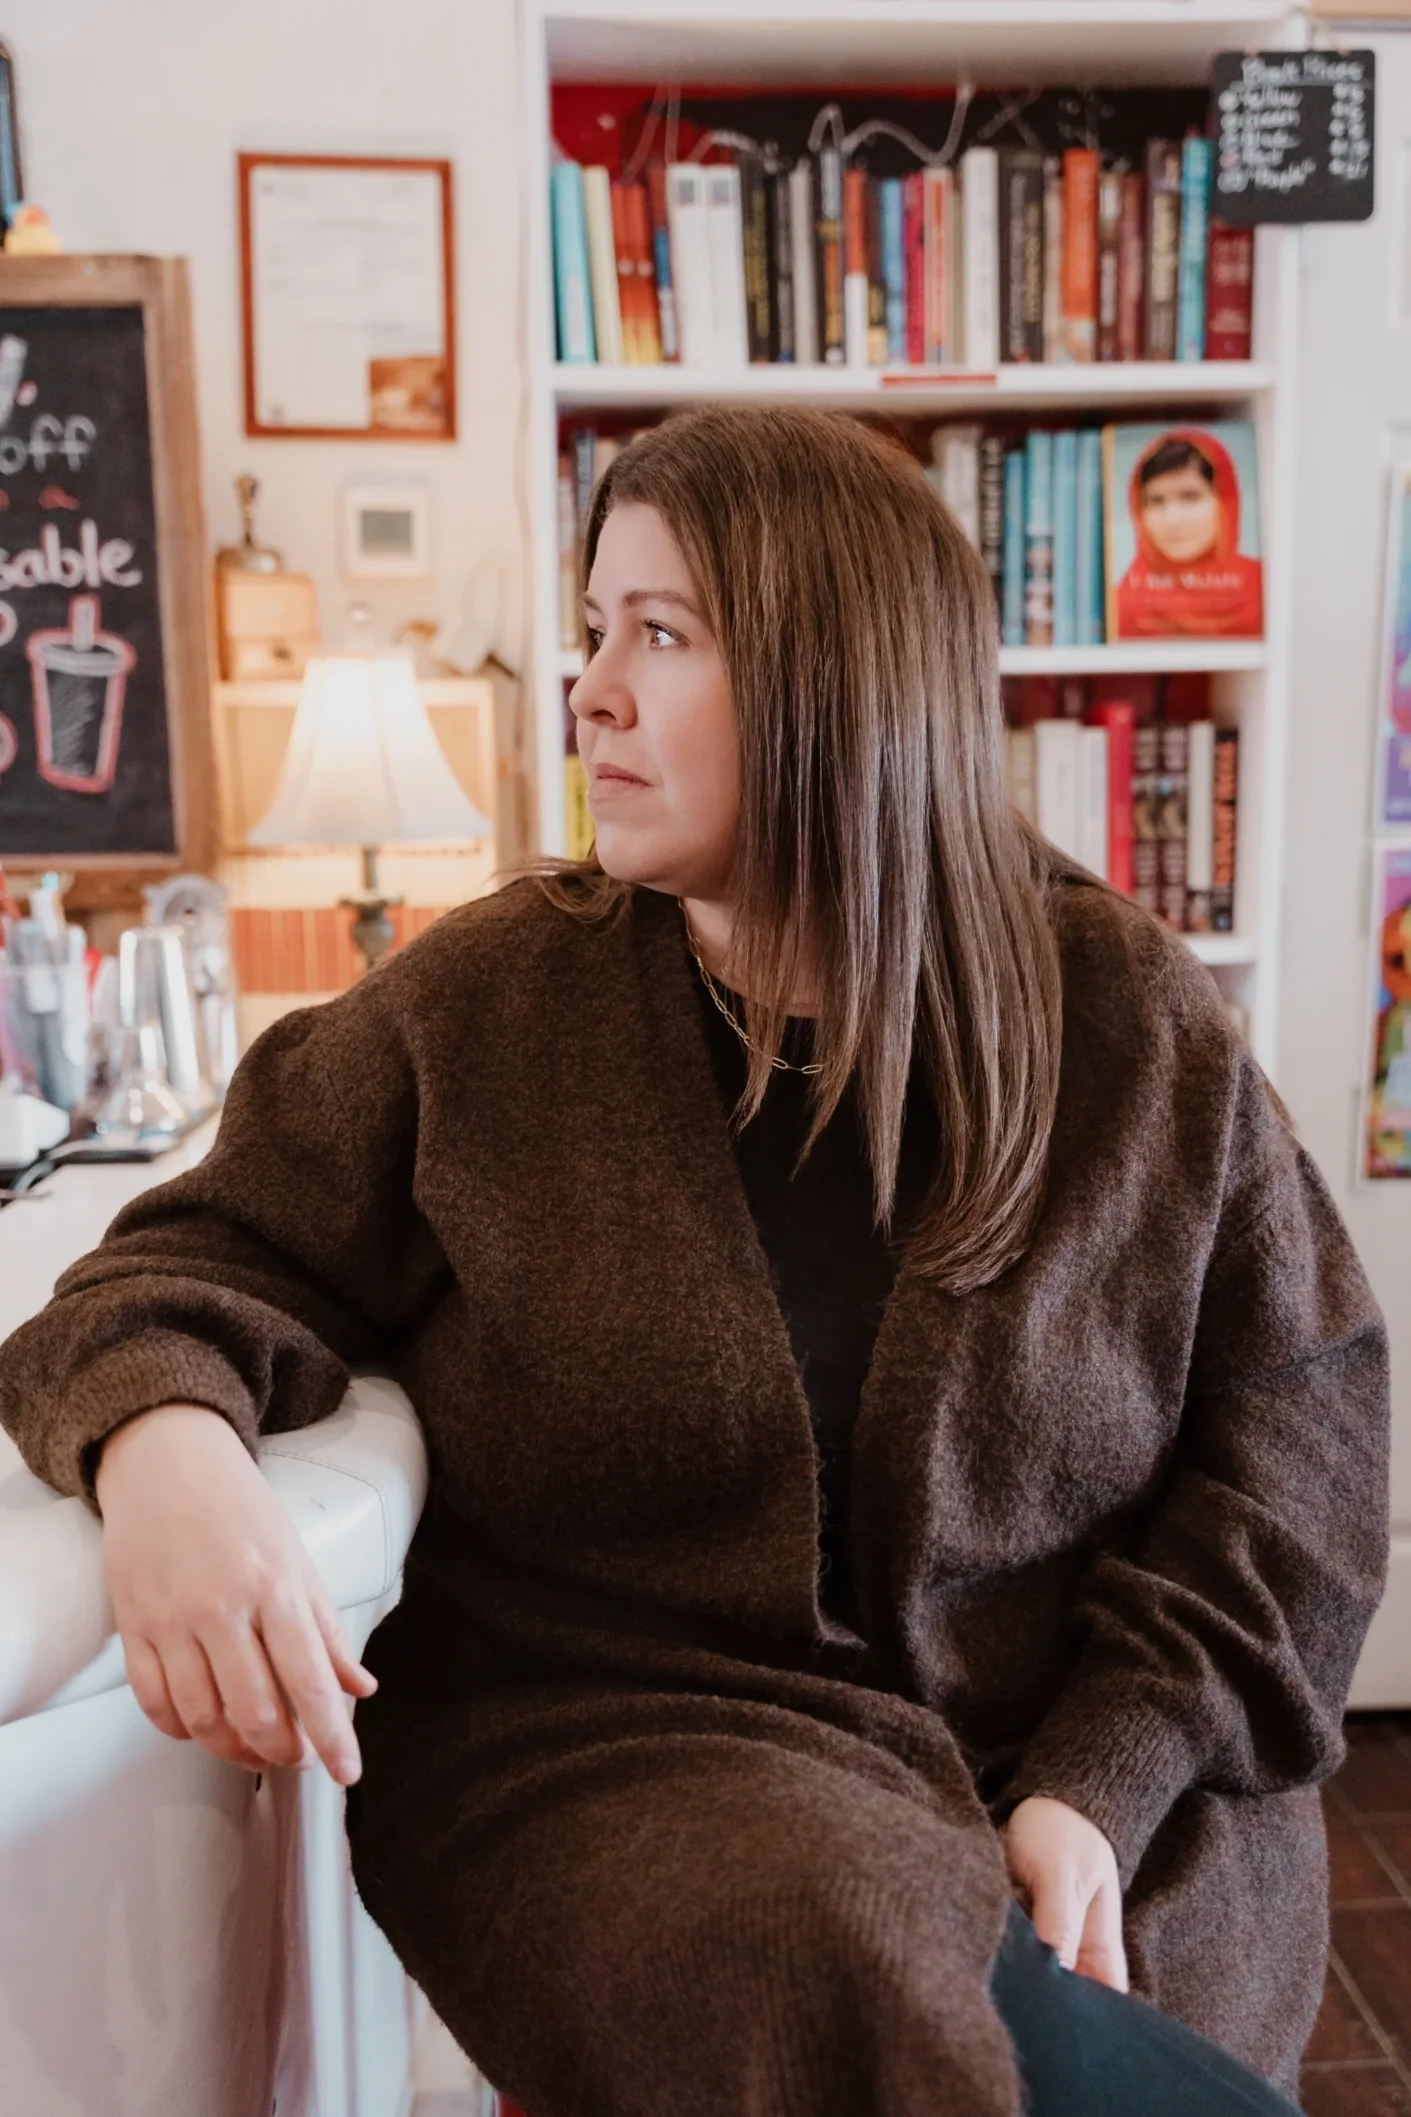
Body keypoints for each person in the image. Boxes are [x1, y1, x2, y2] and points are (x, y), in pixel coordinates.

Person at [0, 406, 1388, 2117]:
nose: (589, 689)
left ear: (839, 675)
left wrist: (1104, 1779)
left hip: (1088, 1775)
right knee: (826, 1939)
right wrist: (166, 1457)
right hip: (622, 1757)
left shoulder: (1127, 1024)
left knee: (1022, 1977)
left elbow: (1297, 1457)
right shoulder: (492, 1006)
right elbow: (169, 1271)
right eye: (597, 630)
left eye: (659, 634)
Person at [1114, 427, 1265, 638]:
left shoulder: (1265, 587)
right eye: (1155, 502)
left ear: (1225, 504)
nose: (1172, 520)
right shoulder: (1119, 608)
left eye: (1191, 497)